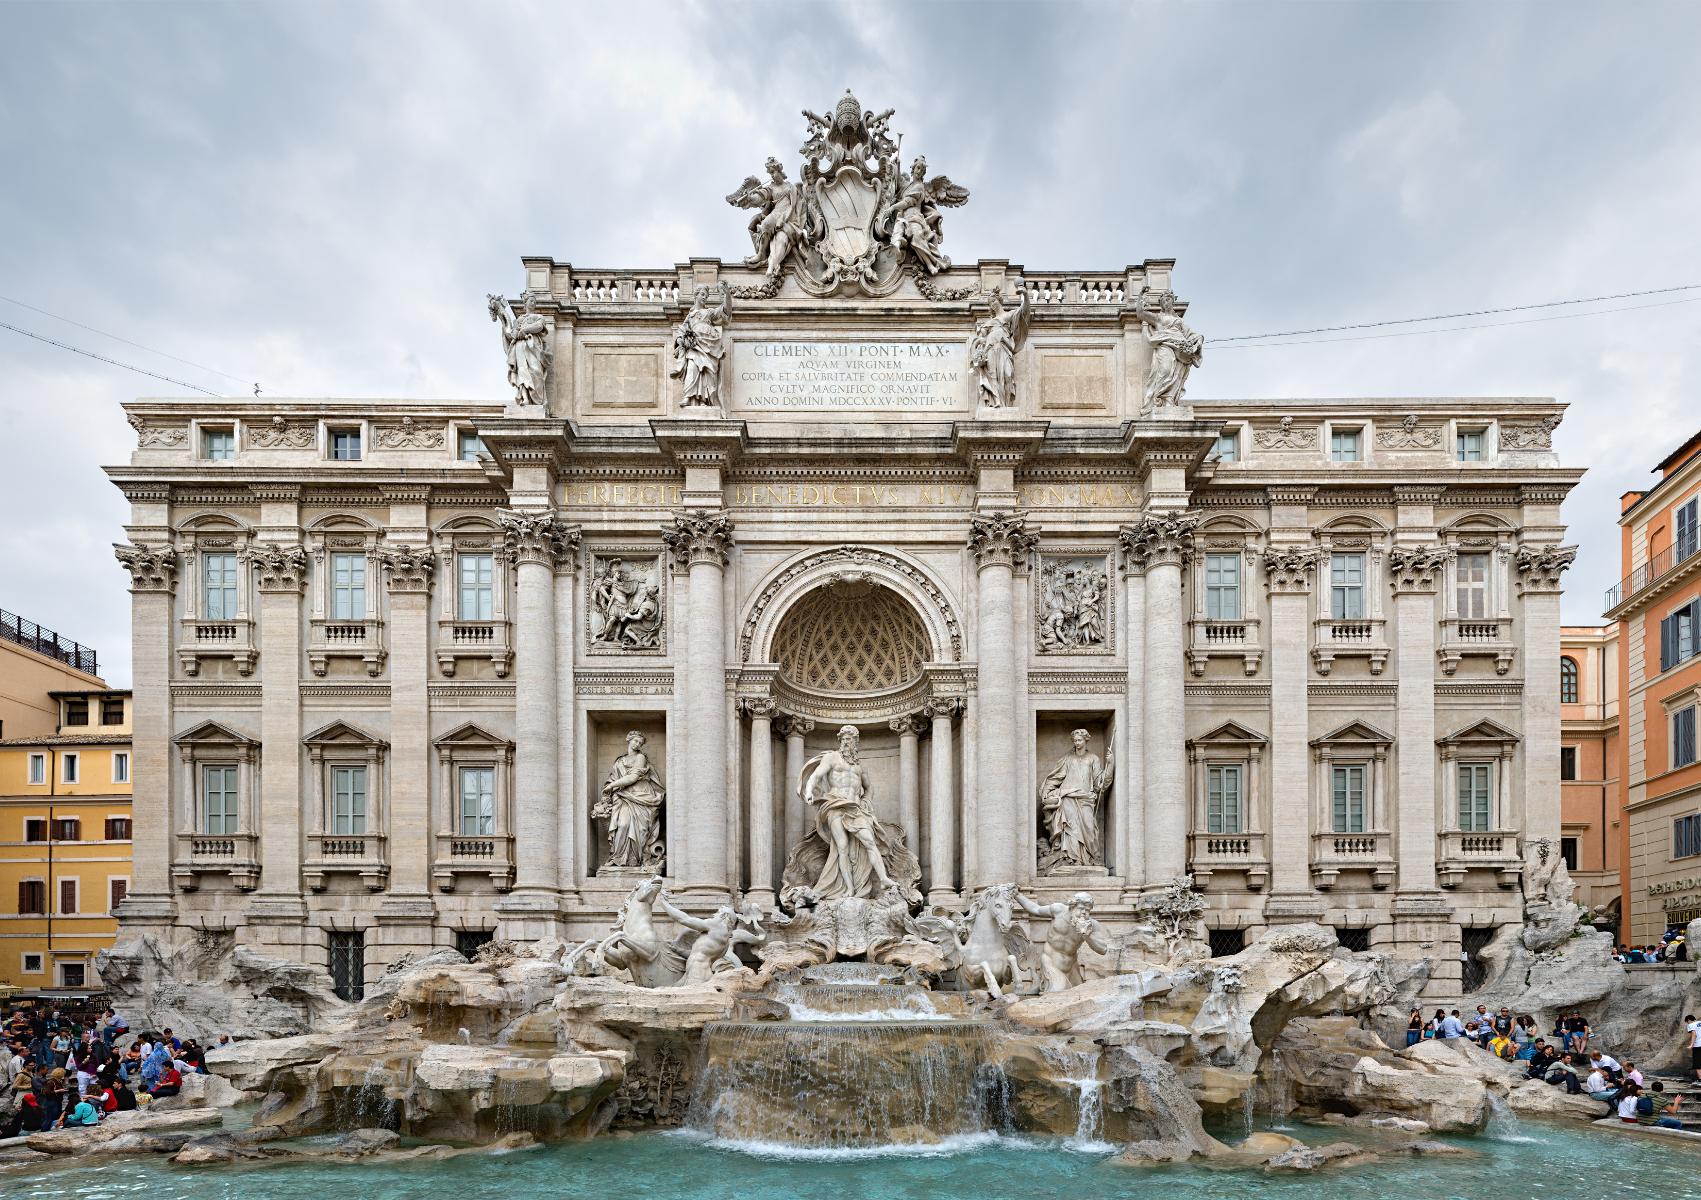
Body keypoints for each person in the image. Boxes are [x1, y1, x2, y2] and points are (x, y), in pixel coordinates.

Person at [1686, 1013, 1701, 1084]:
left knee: (1698, 1064)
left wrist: (1691, 1045)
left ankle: (1700, 1081)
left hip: (1698, 1046)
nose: (1687, 1024)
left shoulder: (1691, 1025)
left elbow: (1694, 1034)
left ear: (1688, 1020)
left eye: (1687, 1022)